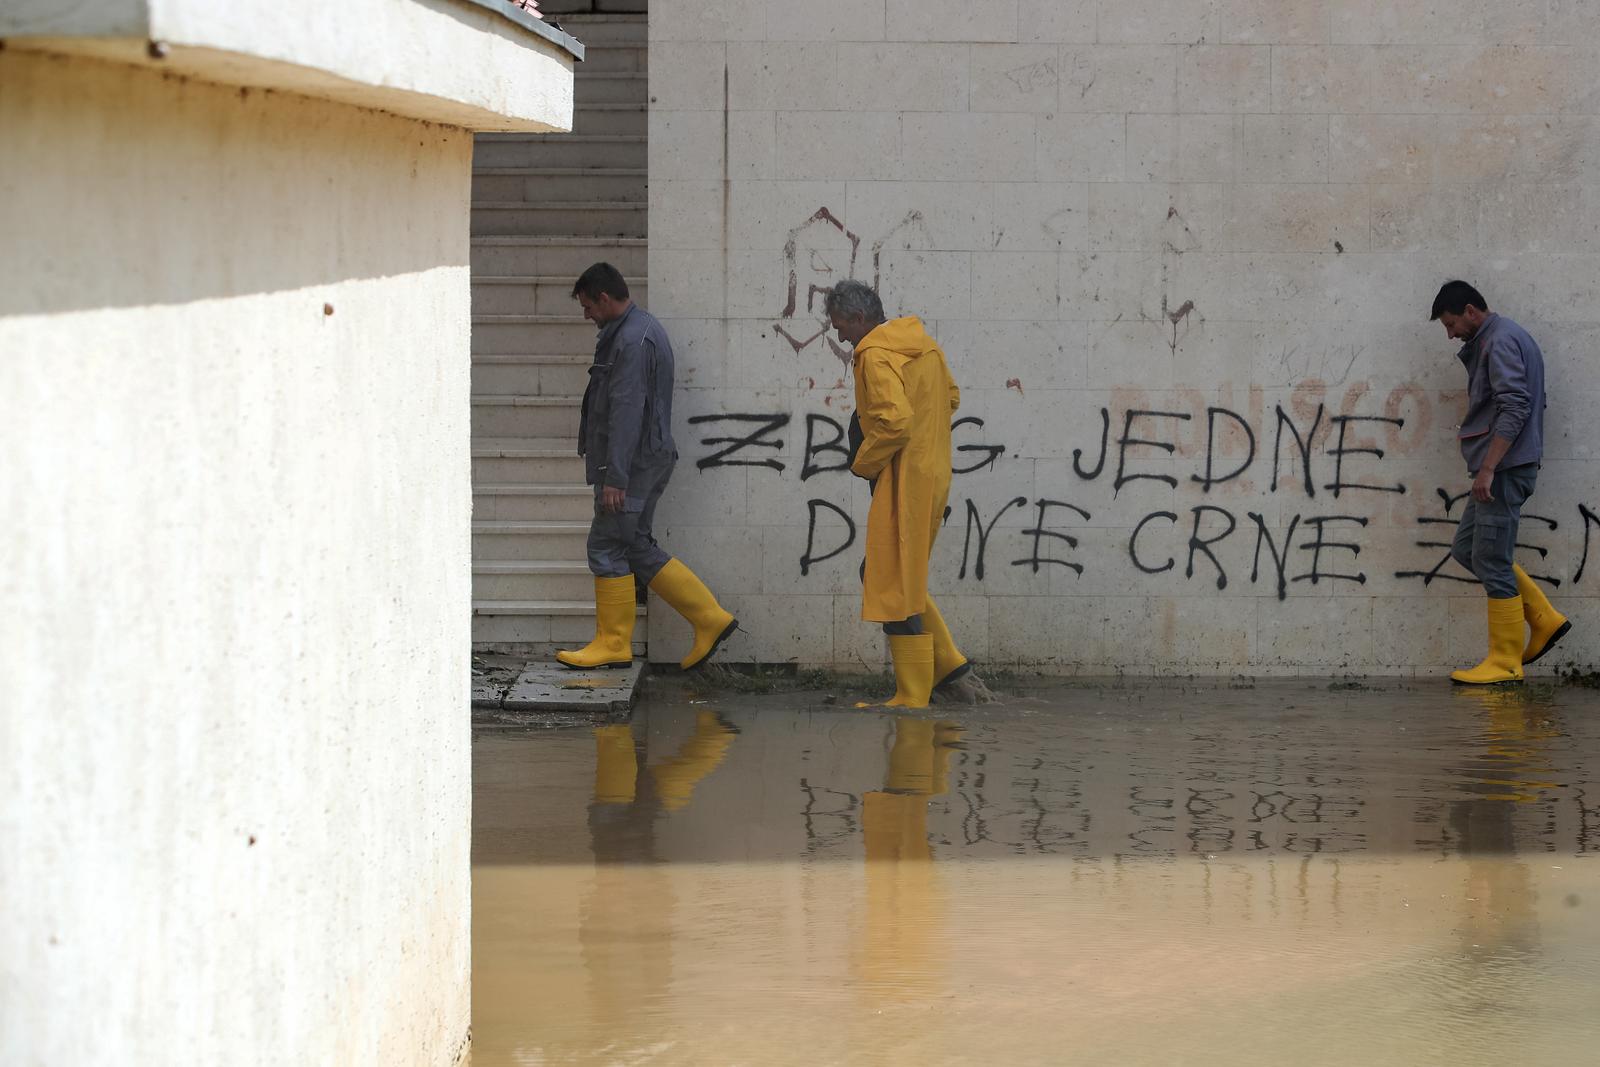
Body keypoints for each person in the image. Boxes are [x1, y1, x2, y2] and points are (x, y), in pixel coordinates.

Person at [556, 263, 738, 671]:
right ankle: (709, 618)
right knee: (634, 544)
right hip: (645, 459)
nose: (586, 316)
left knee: (606, 546)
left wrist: (615, 477)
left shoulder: (633, 342)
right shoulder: (634, 332)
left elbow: (625, 412)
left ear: (605, 298)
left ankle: (613, 643)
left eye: (588, 307)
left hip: (632, 465)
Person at [826, 280, 967, 707]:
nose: (841, 337)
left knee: (887, 579)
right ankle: (947, 671)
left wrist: (864, 462)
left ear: (858, 318)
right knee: (896, 576)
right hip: (933, 475)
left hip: (902, 479)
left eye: (841, 327)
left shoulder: (873, 353)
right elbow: (952, 398)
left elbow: (895, 422)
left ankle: (913, 693)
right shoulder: (924, 345)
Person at [1431, 280, 1570, 684]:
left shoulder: (1501, 342)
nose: (1451, 333)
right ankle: (1544, 618)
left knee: (1490, 558)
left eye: (1452, 323)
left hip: (1504, 471)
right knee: (1466, 549)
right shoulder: (1498, 339)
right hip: (1501, 468)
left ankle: (1505, 662)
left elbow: (1514, 407)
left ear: (1471, 311)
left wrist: (1489, 468)